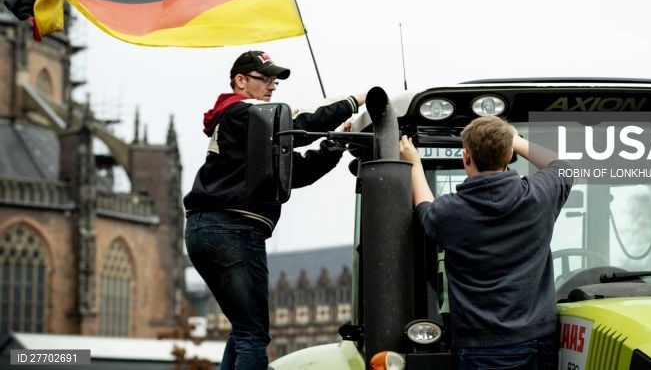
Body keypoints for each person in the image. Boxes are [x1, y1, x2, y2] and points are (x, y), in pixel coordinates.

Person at [184, 50, 366, 370]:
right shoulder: (245, 113)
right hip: (234, 228)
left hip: (203, 228)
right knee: (254, 336)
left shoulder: (242, 127)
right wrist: (355, 99)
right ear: (240, 81)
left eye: (274, 82)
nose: (271, 87)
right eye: (264, 79)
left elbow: (299, 171)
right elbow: (297, 120)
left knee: (243, 330)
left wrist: (336, 143)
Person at [399, 116, 573, 370]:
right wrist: (515, 139)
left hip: (479, 349)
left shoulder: (449, 213)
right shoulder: (539, 196)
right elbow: (564, 165)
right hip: (538, 342)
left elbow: (424, 206)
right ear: (510, 154)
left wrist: (414, 164)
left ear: (466, 157)